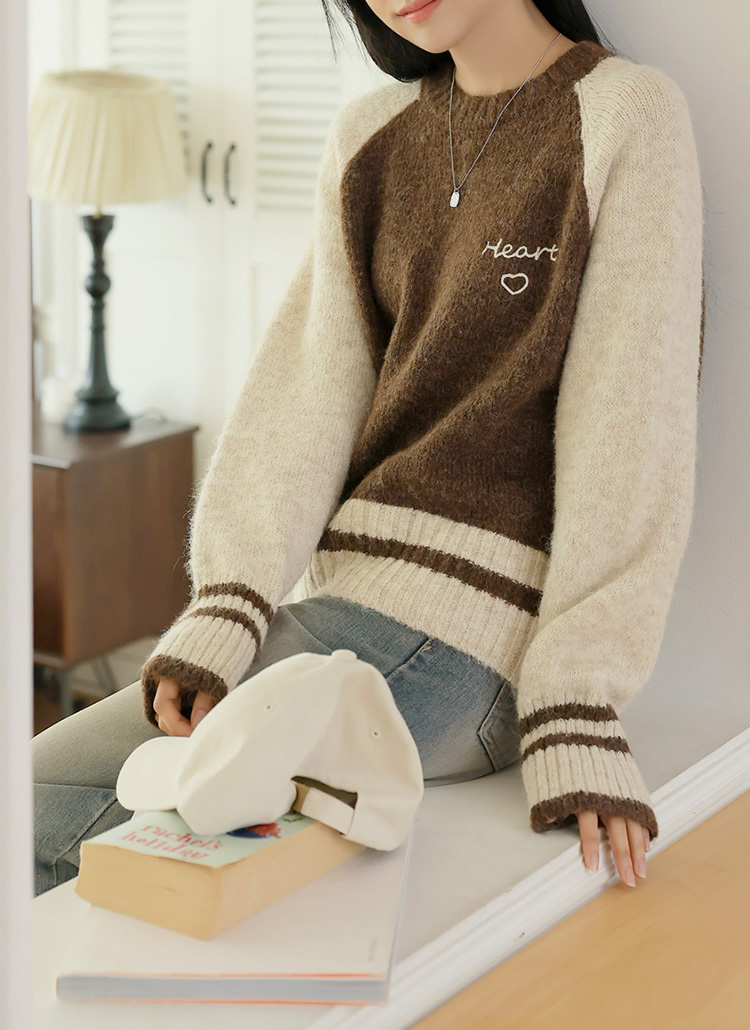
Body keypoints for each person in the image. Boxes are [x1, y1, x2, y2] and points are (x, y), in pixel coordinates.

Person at [33, 0, 705, 896]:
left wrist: (578, 700)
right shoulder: (370, 135)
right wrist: (227, 604)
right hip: (348, 619)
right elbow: (308, 393)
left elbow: (629, 428)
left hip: (467, 653)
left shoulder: (624, 115)